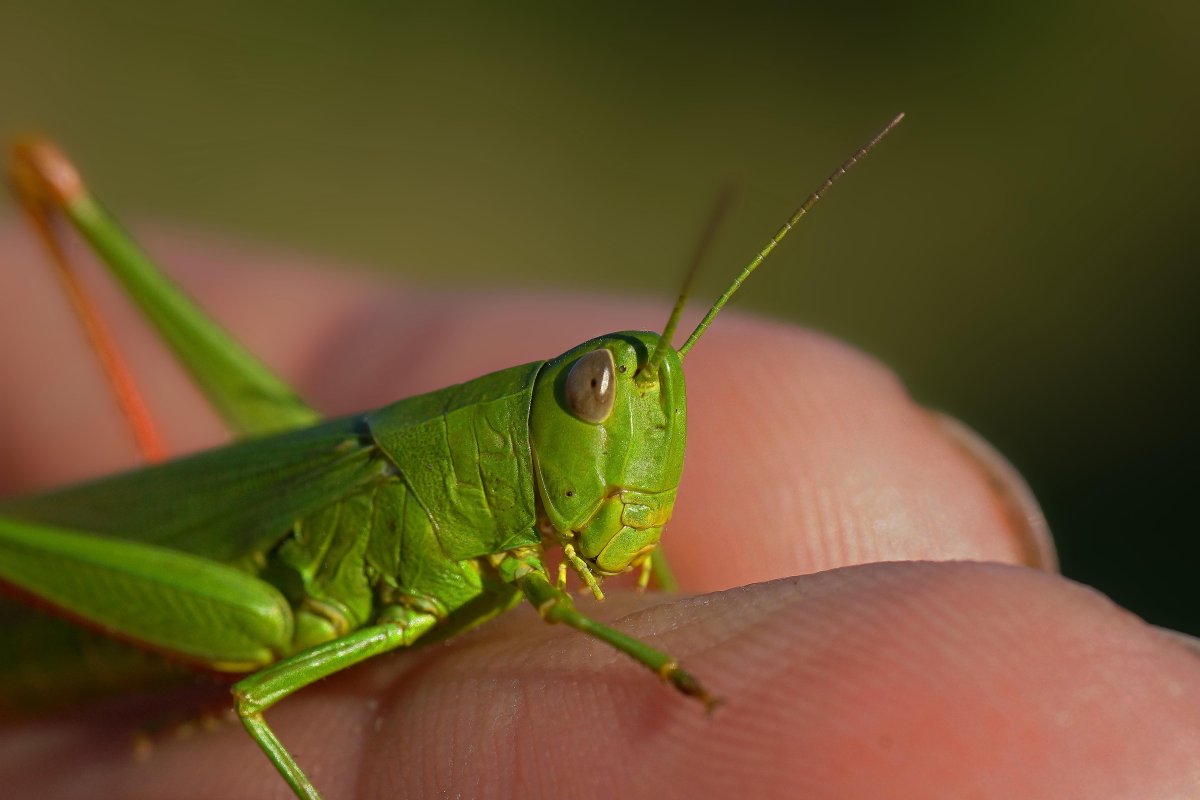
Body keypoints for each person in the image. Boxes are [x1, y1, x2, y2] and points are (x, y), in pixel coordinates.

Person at [0, 227, 1196, 799]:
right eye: (596, 396)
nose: (623, 420)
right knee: (266, 668)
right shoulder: (472, 514)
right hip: (227, 605)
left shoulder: (521, 530)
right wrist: (652, 659)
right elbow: (258, 697)